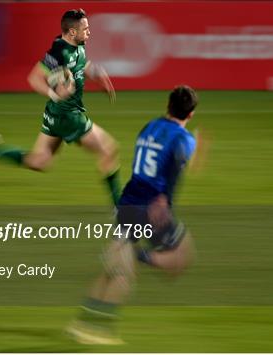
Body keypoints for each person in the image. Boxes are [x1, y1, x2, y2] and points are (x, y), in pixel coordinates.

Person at [67, 85, 204, 345]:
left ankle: (82, 322)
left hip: (130, 201)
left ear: (168, 105)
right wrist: (166, 200)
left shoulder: (149, 126)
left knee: (113, 270)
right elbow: (175, 167)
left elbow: (147, 161)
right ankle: (100, 326)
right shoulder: (184, 139)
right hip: (151, 209)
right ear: (191, 114)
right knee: (177, 259)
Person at [0, 9, 121, 206]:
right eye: (85, 29)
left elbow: (81, 64)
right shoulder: (58, 52)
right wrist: (54, 94)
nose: (89, 32)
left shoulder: (78, 45)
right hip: (68, 115)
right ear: (72, 32)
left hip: (56, 114)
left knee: (39, 161)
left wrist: (99, 77)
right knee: (109, 151)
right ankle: (123, 214)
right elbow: (34, 78)